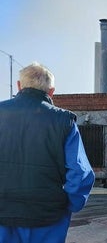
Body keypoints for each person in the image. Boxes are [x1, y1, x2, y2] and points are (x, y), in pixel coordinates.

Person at [0, 62, 95, 243]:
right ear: (51, 91)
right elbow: (80, 171)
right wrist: (69, 204)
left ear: (19, 86)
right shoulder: (64, 121)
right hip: (48, 216)